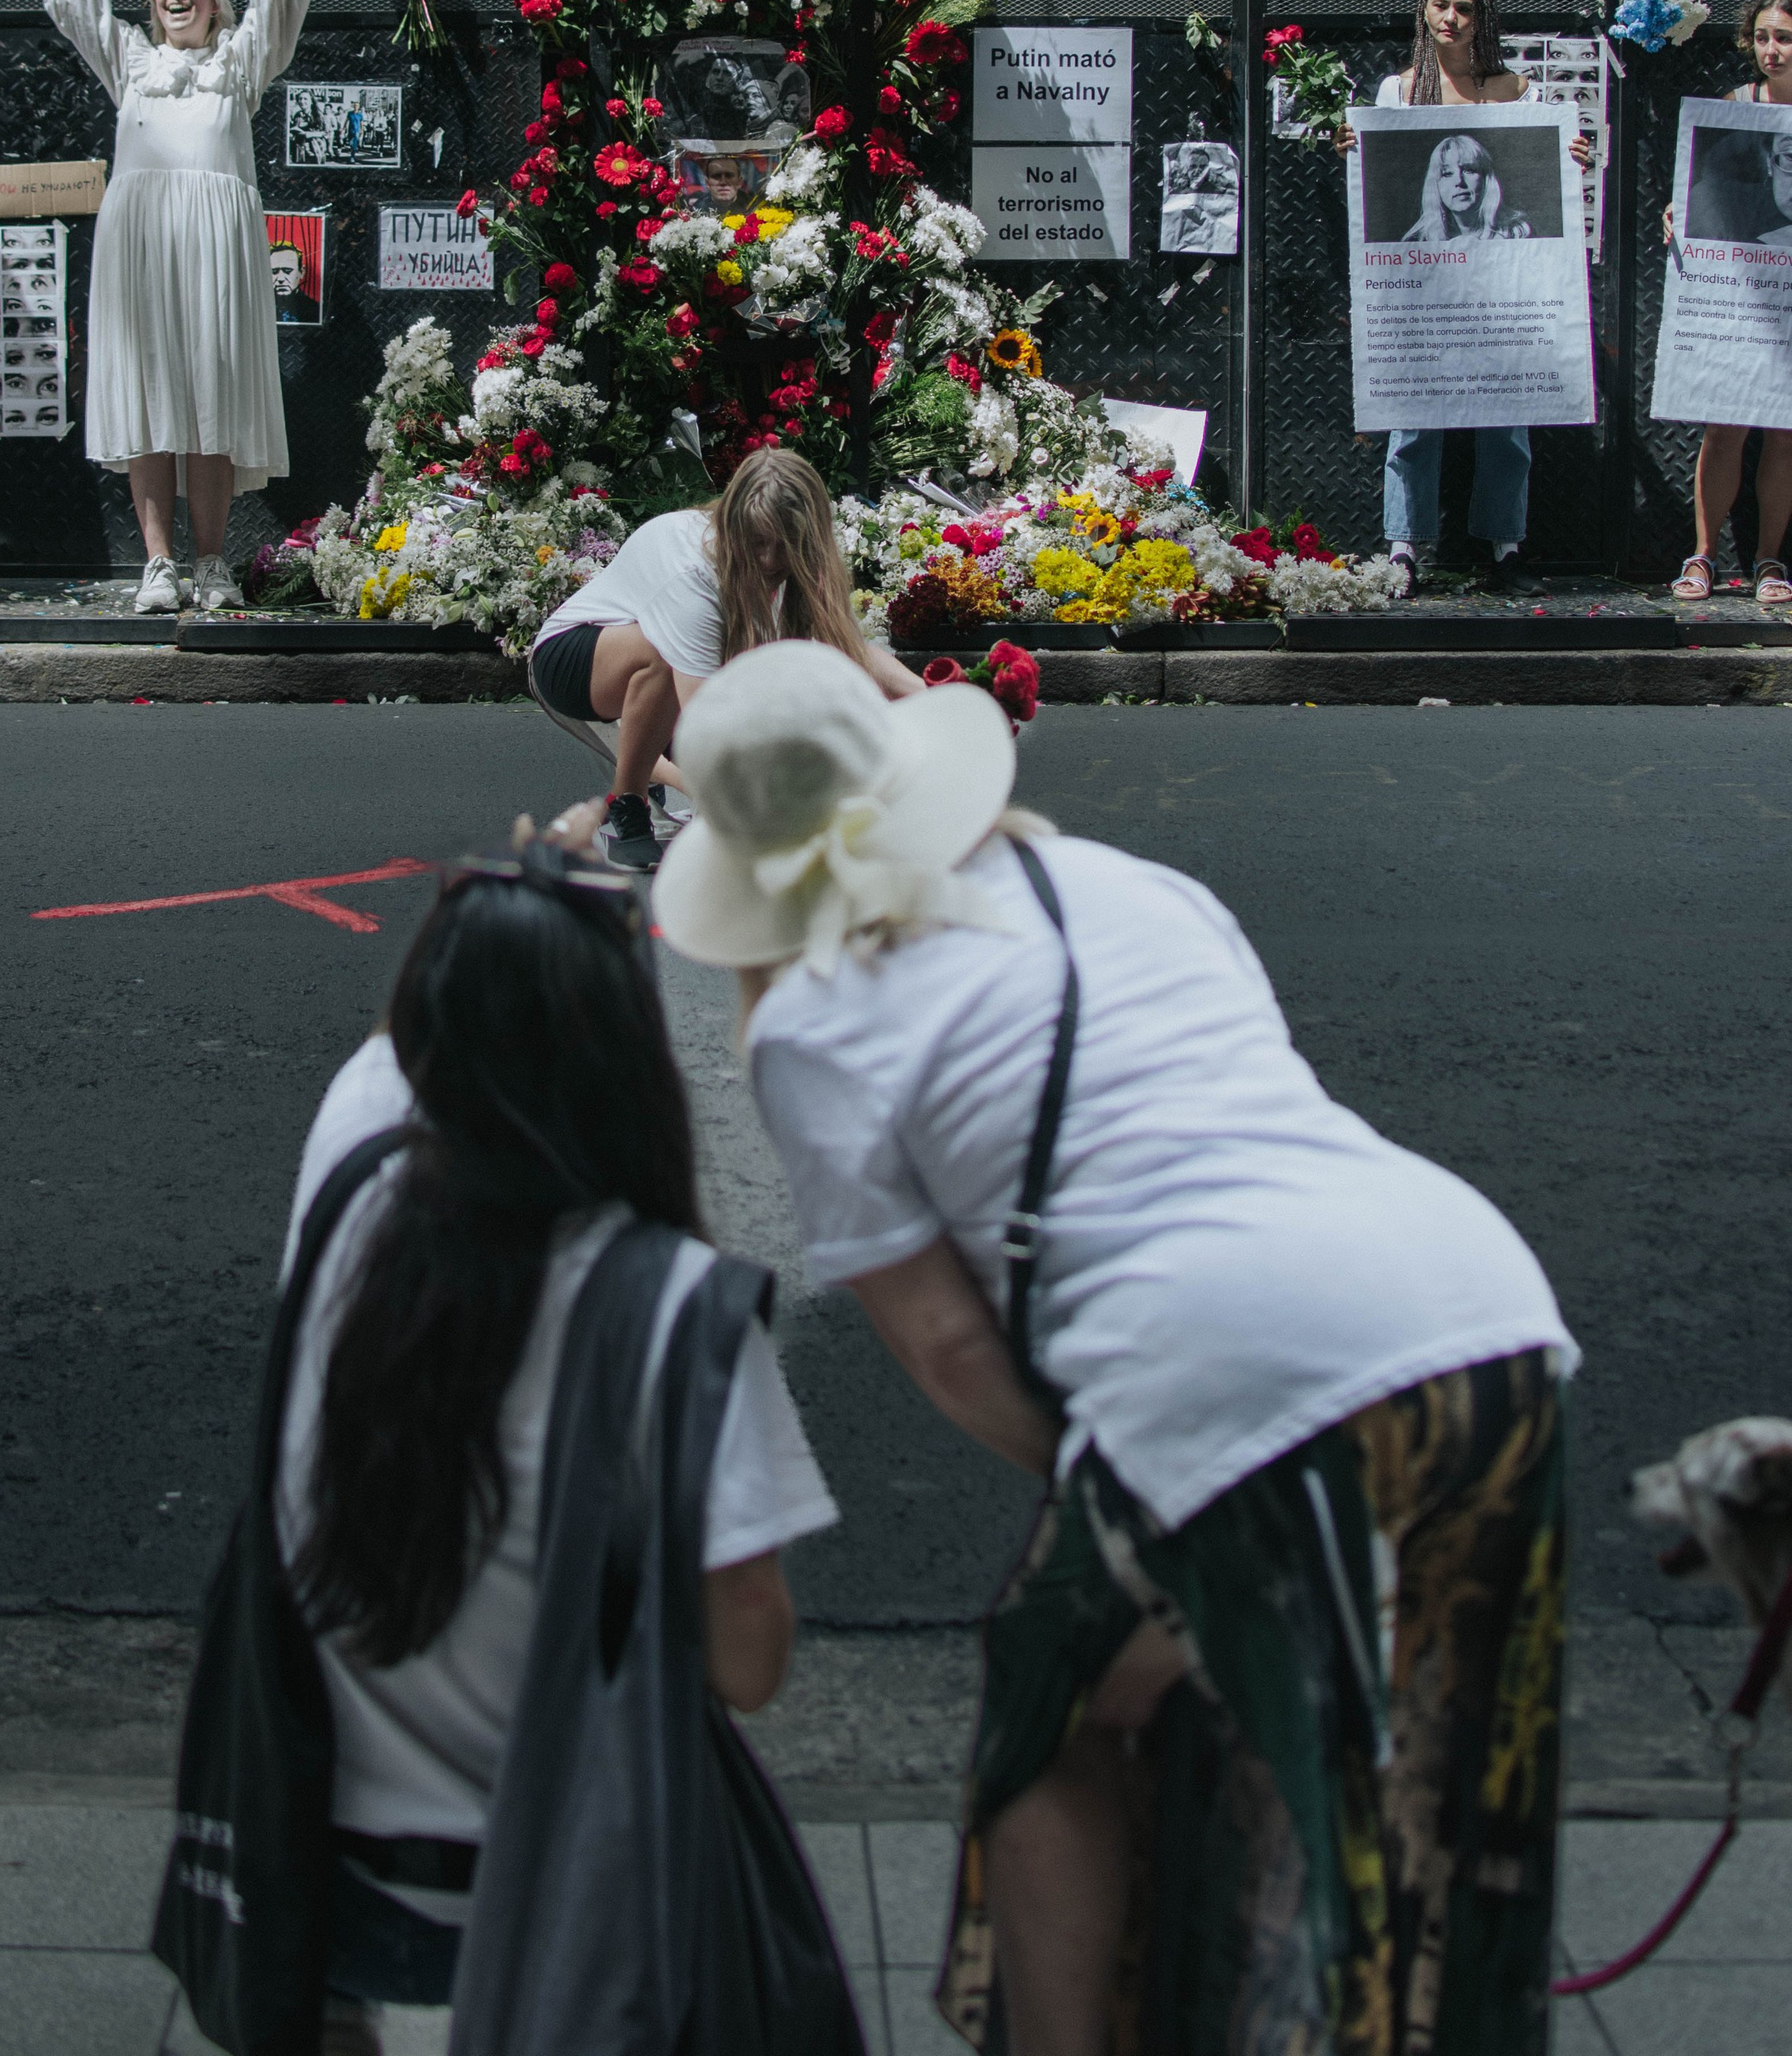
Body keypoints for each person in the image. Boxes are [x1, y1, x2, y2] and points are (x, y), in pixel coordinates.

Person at [651, 644, 1578, 2056]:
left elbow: (952, 1347)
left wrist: (1126, 1469)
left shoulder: (814, 1026)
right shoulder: (1135, 889)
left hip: (1238, 1378)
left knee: (1054, 1719)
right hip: (1486, 1325)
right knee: (1427, 1789)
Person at [272, 828, 838, 2049]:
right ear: (629, 1063)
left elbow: (402, 1050)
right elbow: (750, 1663)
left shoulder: (351, 1187)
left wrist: (505, 905)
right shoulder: (672, 1314)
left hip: (333, 1854)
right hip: (564, 1882)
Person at [45, 0, 308, 614]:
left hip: (216, 254)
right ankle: (159, 565)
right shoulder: (130, 61)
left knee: (212, 403)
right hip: (141, 254)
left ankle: (213, 563)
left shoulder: (237, 64)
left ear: (217, 1)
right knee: (151, 400)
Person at [528, 442, 923, 876]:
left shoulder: (804, 566)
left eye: (785, 546)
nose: (771, 561)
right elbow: (708, 724)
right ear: (733, 528)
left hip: (673, 680)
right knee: (665, 664)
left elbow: (847, 650)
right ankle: (627, 803)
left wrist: (937, 699)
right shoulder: (692, 576)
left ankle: (658, 777)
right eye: (757, 543)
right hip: (573, 660)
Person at [1353, 0, 1590, 594]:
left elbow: (1540, 174)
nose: (1450, 18)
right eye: (1440, 5)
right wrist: (1356, 149)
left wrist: (1570, 155)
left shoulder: (1519, 91)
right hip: (1425, 295)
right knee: (1411, 416)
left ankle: (1505, 549)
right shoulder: (1396, 92)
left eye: (1463, 7)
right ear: (1423, 11)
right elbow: (1373, 183)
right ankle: (1403, 547)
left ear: (1481, 16)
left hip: (1501, 292)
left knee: (1508, 422)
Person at [1671, 0, 1792, 605]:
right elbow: (1706, 191)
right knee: (1725, 427)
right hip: (1743, 291)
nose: (1772, 50)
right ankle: (1705, 556)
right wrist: (1677, 211)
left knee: (1785, 432)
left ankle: (1770, 561)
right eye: (1764, 37)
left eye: (1785, 37)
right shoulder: (1736, 104)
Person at [1400, 128, 1533, 243]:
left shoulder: (1519, 234)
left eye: (1468, 170)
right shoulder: (1418, 241)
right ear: (1436, 186)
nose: (1459, 182)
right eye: (1447, 174)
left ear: (1485, 178)